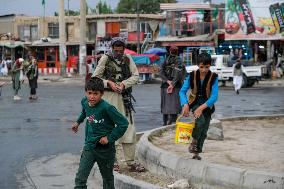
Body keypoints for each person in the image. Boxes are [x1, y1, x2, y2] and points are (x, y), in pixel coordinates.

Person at [93, 37, 145, 172]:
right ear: (112, 49)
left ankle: (131, 162)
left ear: (124, 49)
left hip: (124, 99)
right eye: (116, 50)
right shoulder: (105, 59)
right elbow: (95, 78)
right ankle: (113, 161)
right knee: (111, 129)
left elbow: (136, 76)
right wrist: (109, 83)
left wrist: (123, 84)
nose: (118, 53)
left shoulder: (128, 59)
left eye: (120, 50)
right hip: (109, 99)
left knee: (129, 128)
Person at [72, 77, 128, 189]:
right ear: (86, 92)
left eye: (95, 94)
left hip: (105, 150)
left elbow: (123, 123)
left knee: (107, 179)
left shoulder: (107, 108)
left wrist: (109, 138)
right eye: (89, 93)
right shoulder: (85, 102)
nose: (92, 97)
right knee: (80, 179)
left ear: (102, 94)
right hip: (89, 146)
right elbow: (85, 111)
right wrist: (78, 122)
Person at [179, 52, 218, 160]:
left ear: (210, 65)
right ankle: (194, 141)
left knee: (204, 131)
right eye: (201, 67)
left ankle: (196, 153)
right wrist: (185, 104)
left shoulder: (214, 77)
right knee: (200, 121)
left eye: (207, 67)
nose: (204, 70)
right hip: (195, 103)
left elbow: (214, 97)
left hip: (207, 106)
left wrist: (202, 108)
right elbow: (182, 92)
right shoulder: (192, 75)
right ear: (197, 65)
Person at [159, 45, 185, 126]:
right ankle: (172, 123)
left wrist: (167, 81)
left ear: (169, 51)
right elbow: (179, 73)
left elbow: (160, 72)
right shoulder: (179, 61)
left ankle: (165, 123)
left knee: (165, 106)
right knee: (174, 106)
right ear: (177, 52)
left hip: (165, 85)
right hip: (175, 86)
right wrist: (172, 83)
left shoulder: (165, 60)